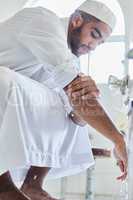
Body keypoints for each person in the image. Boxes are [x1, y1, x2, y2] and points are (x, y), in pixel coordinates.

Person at [0, 0, 127, 200]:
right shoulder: (43, 21)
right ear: (77, 21)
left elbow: (76, 111)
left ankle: (33, 183)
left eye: (100, 43)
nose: (93, 46)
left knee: (70, 109)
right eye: (94, 35)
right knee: (4, 79)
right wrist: (118, 141)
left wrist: (87, 103)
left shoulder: (72, 59)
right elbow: (76, 93)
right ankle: (3, 186)